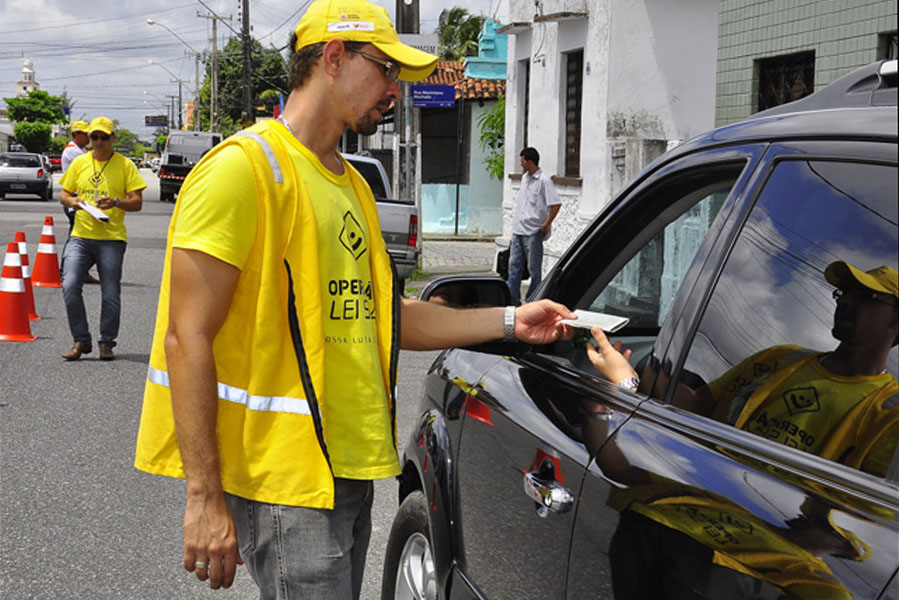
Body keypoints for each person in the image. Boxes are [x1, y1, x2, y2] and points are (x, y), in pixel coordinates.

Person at [133, 1, 575, 597]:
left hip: (352, 465)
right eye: (385, 71)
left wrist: (511, 320)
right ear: (334, 58)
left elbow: (386, 318)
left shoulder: (352, 186)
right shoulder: (242, 171)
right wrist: (204, 498)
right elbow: (186, 336)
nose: (394, 92)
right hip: (285, 476)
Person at [587, 261, 899, 477]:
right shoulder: (781, 360)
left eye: (863, 296)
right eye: (842, 293)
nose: (843, 302)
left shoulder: (889, 412)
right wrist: (627, 374)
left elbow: (868, 518)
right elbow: (697, 407)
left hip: (767, 558)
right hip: (694, 511)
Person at [58, 116, 145, 361]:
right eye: (94, 137)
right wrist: (73, 201)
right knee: (70, 284)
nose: (98, 141)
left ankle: (107, 342)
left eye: (103, 137)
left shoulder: (126, 165)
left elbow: (137, 202)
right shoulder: (80, 163)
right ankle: (81, 340)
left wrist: (116, 202)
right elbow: (64, 194)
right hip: (81, 235)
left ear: (112, 138)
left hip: (112, 238)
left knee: (110, 292)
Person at [506, 146, 562, 304]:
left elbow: (556, 204)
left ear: (530, 162)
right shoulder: (525, 178)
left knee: (534, 270)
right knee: (514, 267)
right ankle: (513, 300)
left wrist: (546, 224)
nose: (521, 164)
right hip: (518, 230)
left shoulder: (544, 181)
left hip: (533, 232)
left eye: (523, 161)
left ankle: (533, 299)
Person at [60, 120, 99, 281]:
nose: (89, 137)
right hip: (76, 199)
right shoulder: (73, 152)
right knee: (78, 238)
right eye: (86, 134)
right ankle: (70, 270)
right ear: (76, 135)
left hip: (81, 199)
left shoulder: (79, 150)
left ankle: (76, 270)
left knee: (79, 237)